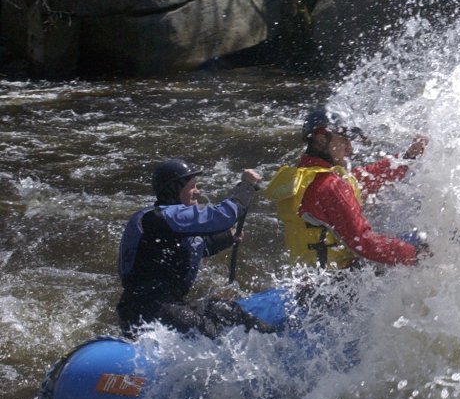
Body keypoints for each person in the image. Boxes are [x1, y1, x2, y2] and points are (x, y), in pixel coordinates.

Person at [117, 159, 275, 338]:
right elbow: (224, 216)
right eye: (192, 186)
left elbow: (196, 246)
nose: (197, 192)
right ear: (174, 189)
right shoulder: (159, 218)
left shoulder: (171, 223)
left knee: (230, 311)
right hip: (145, 311)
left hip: (171, 306)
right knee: (211, 331)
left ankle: (276, 339)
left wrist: (227, 238)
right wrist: (246, 186)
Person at [266, 107, 430, 270]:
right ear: (321, 138)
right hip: (338, 286)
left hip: (310, 282)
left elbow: (367, 178)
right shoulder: (329, 186)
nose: (350, 149)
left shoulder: (304, 177)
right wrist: (416, 254)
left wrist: (408, 157)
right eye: (344, 140)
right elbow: (364, 242)